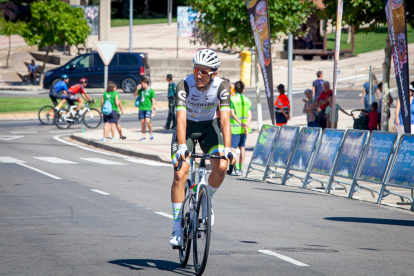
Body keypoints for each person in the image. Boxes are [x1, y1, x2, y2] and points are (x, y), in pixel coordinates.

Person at [169, 49, 236, 247]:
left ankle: (207, 201)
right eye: (197, 69)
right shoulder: (184, 85)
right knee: (180, 173)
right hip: (187, 128)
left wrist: (229, 147)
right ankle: (177, 227)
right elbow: (180, 118)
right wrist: (182, 146)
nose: (199, 74)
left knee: (222, 167)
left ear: (213, 73)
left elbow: (224, 118)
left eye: (204, 72)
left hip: (209, 127)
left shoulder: (222, 86)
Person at [230, 81, 252, 176]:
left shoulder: (232, 99)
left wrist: (241, 123)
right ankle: (240, 168)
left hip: (235, 128)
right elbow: (249, 115)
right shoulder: (247, 100)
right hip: (244, 128)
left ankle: (234, 168)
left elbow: (232, 114)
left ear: (234, 89)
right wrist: (246, 125)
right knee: (242, 147)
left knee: (232, 147)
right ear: (243, 90)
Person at [134, 78, 156, 142]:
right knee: (142, 122)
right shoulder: (141, 90)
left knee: (148, 120)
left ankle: (151, 132)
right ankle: (143, 136)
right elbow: (135, 95)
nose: (141, 84)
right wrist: (137, 90)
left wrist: (153, 109)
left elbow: (153, 100)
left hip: (148, 108)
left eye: (142, 83)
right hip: (141, 108)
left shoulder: (151, 91)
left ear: (145, 83)